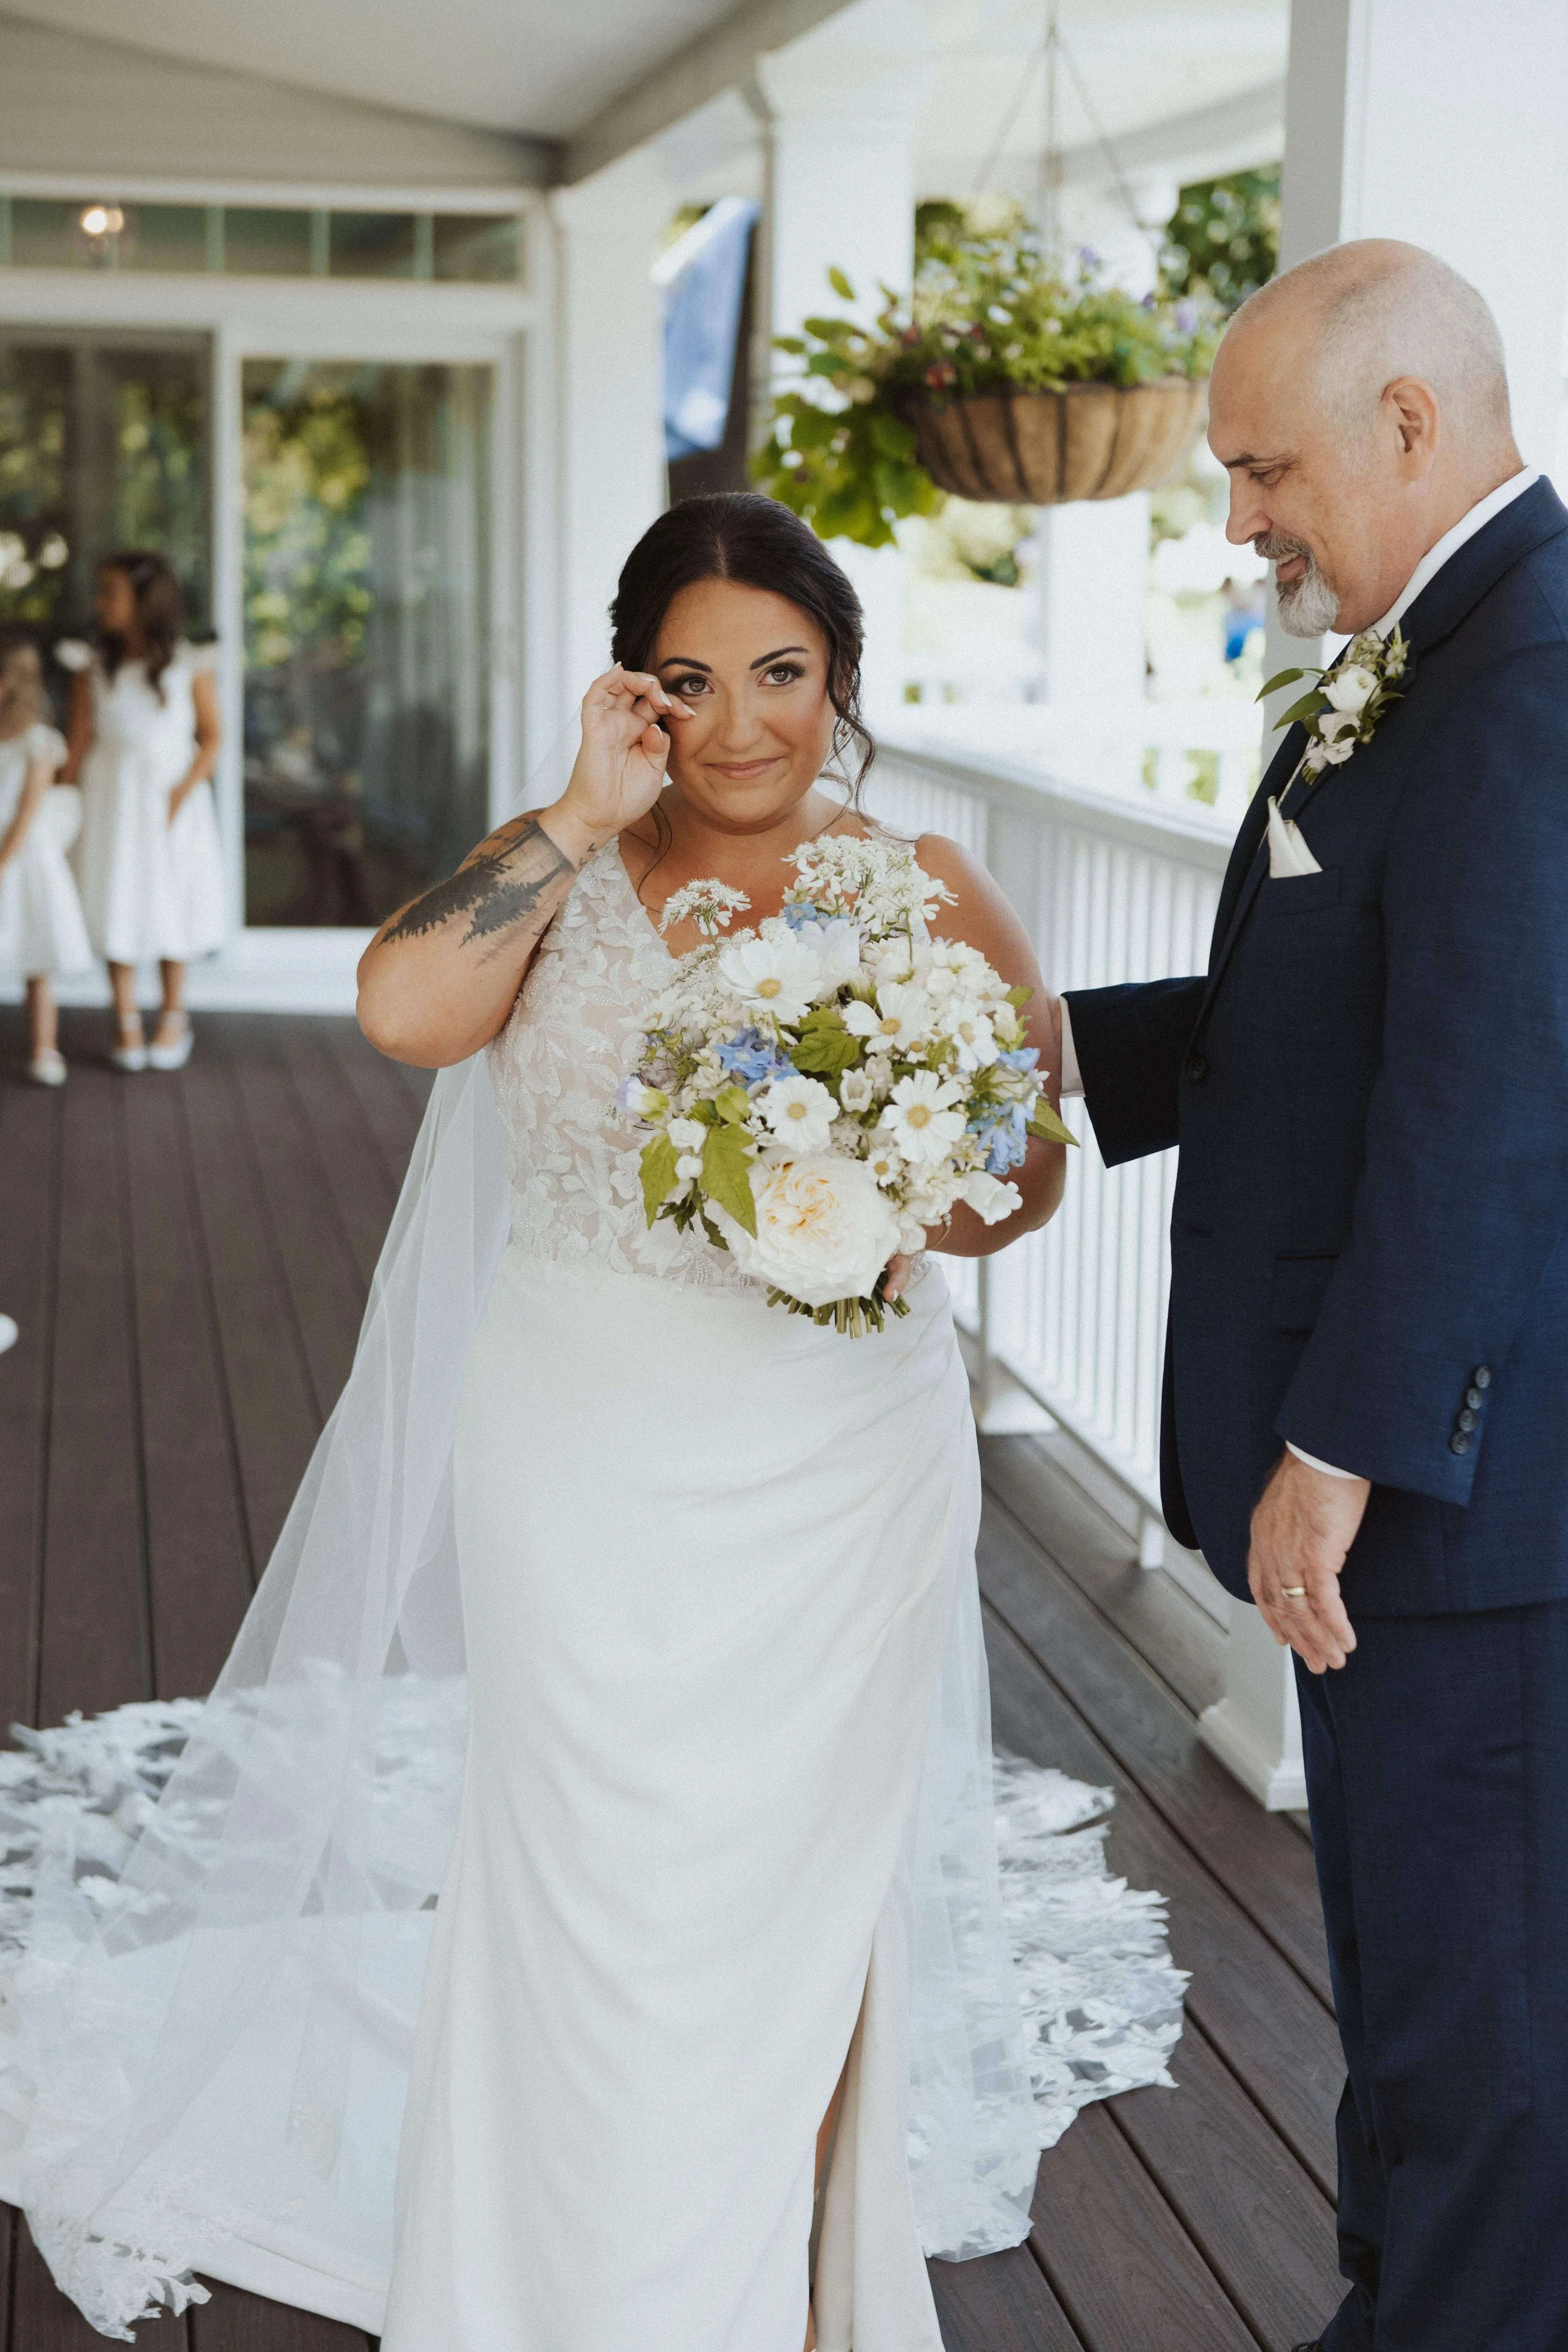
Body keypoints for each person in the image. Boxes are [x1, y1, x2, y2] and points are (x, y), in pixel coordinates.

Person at [355, 492, 1067, 2352]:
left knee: (786, 1898)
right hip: (577, 1442)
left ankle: (776, 2299)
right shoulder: (560, 869)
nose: (740, 721)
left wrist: (898, 1168)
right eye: (690, 680)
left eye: (780, 672)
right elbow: (399, 1007)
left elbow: (1025, 1177)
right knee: (580, 1872)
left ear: (839, 680)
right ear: (635, 693)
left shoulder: (915, 875)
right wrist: (578, 812)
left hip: (831, 1468)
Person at [1054, 240, 1568, 2352]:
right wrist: (1022, 1062)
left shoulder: (1526, 680)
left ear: (1411, 426)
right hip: (1430, 1502)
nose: (1241, 515)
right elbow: (1349, 1009)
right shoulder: (1432, 651)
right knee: (1427, 1991)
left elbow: (1489, 1103)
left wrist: (1335, 1449)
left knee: (1489, 2023)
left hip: (1465, 1502)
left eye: (1263, 467)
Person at [61, 551, 226, 1073]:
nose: (100, 602)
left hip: (170, 796)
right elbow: (79, 739)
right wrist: (63, 801)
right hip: (113, 796)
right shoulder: (92, 666)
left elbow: (213, 737)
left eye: (111, 591)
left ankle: (174, 1015)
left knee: (170, 897)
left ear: (143, 600)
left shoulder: (187, 662)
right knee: (118, 896)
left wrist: (181, 794)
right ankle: (126, 1017)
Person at [0, 627, 93, 1082]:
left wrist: (2, 863)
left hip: (22, 860)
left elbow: (27, 810)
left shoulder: (38, 741)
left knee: (35, 955)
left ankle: (45, 1047)